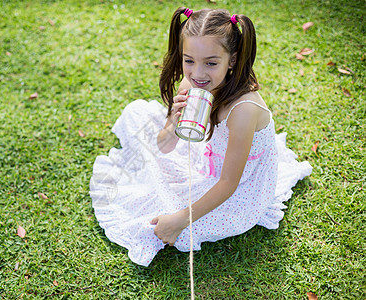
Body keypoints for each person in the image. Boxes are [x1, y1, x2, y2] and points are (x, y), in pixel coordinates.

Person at [90, 7, 312, 267]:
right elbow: (163, 146)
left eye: (211, 62)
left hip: (240, 185)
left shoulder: (244, 110)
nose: (197, 73)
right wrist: (173, 120)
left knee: (167, 219)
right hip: (208, 157)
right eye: (189, 60)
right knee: (137, 120)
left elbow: (229, 183)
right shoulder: (192, 84)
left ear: (232, 60)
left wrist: (181, 219)